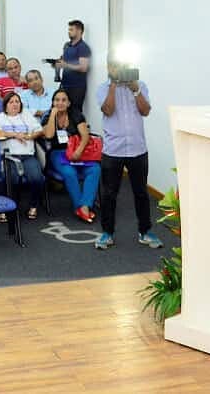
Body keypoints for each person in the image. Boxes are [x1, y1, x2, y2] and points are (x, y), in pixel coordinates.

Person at [94, 56, 161, 250]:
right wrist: (114, 85)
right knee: (109, 193)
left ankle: (145, 231)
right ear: (108, 67)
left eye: (123, 65)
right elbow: (107, 110)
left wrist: (136, 89)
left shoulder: (140, 85)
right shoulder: (102, 88)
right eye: (116, 66)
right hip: (113, 150)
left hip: (138, 149)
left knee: (141, 192)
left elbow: (146, 110)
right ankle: (107, 233)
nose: (120, 69)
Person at [42, 89, 100, 224]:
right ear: (52, 102)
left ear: (68, 103)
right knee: (69, 172)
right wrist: (52, 115)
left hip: (79, 150)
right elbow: (49, 135)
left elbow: (85, 136)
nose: (60, 103)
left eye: (63, 100)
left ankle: (84, 205)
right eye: (57, 100)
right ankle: (81, 207)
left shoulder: (76, 114)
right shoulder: (47, 116)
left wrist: (78, 151)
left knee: (95, 169)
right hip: (58, 152)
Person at [0, 92, 45, 221]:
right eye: (11, 102)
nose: (15, 104)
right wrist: (15, 135)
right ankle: (3, 208)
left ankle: (33, 205)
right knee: (10, 178)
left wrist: (29, 136)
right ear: (5, 105)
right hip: (8, 156)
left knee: (37, 178)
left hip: (27, 155)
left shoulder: (26, 115)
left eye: (17, 101)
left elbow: (39, 130)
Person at [57, 20, 91, 111]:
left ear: (79, 31)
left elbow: (84, 68)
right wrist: (58, 64)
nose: (69, 32)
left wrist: (66, 65)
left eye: (71, 29)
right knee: (61, 111)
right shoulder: (68, 46)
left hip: (76, 88)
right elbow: (64, 62)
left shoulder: (83, 47)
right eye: (69, 29)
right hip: (64, 85)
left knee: (75, 113)